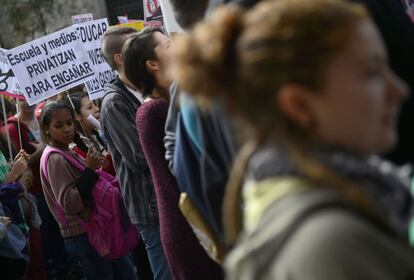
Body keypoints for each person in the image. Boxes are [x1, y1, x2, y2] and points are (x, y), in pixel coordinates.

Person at [172, 0, 414, 278]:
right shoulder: (334, 245)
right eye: (371, 73)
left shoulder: (339, 209)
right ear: (298, 105)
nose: (399, 90)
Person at [123, 27, 223, 279]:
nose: (177, 47)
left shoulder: (171, 102)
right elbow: (180, 171)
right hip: (189, 226)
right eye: (168, 44)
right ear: (153, 64)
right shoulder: (153, 112)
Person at [39, 101, 137, 280]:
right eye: (58, 126)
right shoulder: (55, 158)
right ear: (46, 129)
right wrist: (90, 170)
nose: (67, 129)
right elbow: (69, 202)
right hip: (84, 234)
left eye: (69, 123)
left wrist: (94, 167)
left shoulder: (66, 150)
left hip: (95, 229)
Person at [101, 27, 165, 279]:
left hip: (166, 195)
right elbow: (138, 156)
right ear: (120, 57)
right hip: (149, 204)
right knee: (166, 270)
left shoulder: (147, 86)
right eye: (134, 43)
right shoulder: (114, 102)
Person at [64, 91, 116, 176]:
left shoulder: (95, 136)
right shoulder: (75, 150)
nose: (97, 109)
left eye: (94, 105)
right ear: (76, 116)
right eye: (90, 107)